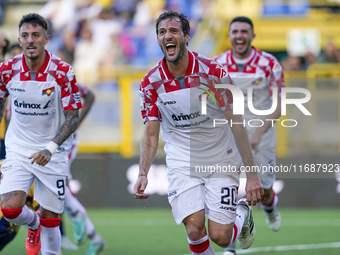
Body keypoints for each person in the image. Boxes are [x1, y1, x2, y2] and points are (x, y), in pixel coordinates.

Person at [134, 10, 263, 255]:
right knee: (194, 230)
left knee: (221, 237)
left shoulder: (213, 72)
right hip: (181, 160)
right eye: (162, 32)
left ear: (186, 36)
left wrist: (252, 173)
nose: (167, 36)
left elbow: (236, 121)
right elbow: (151, 134)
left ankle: (242, 213)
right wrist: (143, 171)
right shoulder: (150, 83)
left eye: (173, 31)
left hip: (221, 158)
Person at [0, 13, 82, 255]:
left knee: (51, 218)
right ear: (19, 39)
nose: (30, 41)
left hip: (52, 152)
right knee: (10, 209)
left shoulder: (62, 72)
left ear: (46, 39)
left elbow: (73, 117)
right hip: (18, 149)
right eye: (25, 36)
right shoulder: (6, 71)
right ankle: (32, 224)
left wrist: (51, 148)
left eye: (36, 35)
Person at [212, 16, 284, 255]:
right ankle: (230, 248)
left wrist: (259, 132)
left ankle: (270, 207)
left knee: (262, 192)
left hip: (261, 135)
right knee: (230, 189)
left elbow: (278, 106)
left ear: (253, 35)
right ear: (230, 35)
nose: (239, 35)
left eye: (244, 31)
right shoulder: (218, 63)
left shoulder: (269, 63)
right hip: (229, 135)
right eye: (235, 31)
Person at [56, 48, 106, 255]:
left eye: (61, 61)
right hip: (51, 141)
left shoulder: (69, 83)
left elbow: (91, 96)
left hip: (65, 141)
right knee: (58, 188)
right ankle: (93, 236)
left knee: (58, 186)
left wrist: (75, 124)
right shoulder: (45, 81)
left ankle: (82, 226)